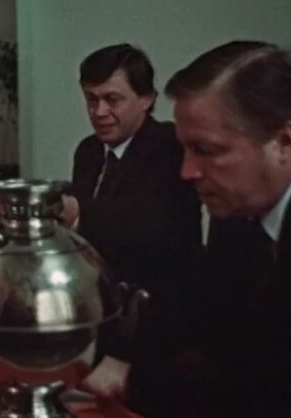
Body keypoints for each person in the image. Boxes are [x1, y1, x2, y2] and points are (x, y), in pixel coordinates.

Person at [159, 41, 291, 416]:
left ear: (283, 142)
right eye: (185, 150)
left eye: (206, 150)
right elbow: (219, 353)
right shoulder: (233, 221)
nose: (187, 172)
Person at [68, 44, 203, 407]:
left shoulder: (172, 147)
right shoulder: (88, 151)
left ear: (147, 99)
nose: (99, 112)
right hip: (101, 318)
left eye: (112, 99)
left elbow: (149, 225)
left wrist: (76, 211)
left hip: (159, 327)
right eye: (91, 99)